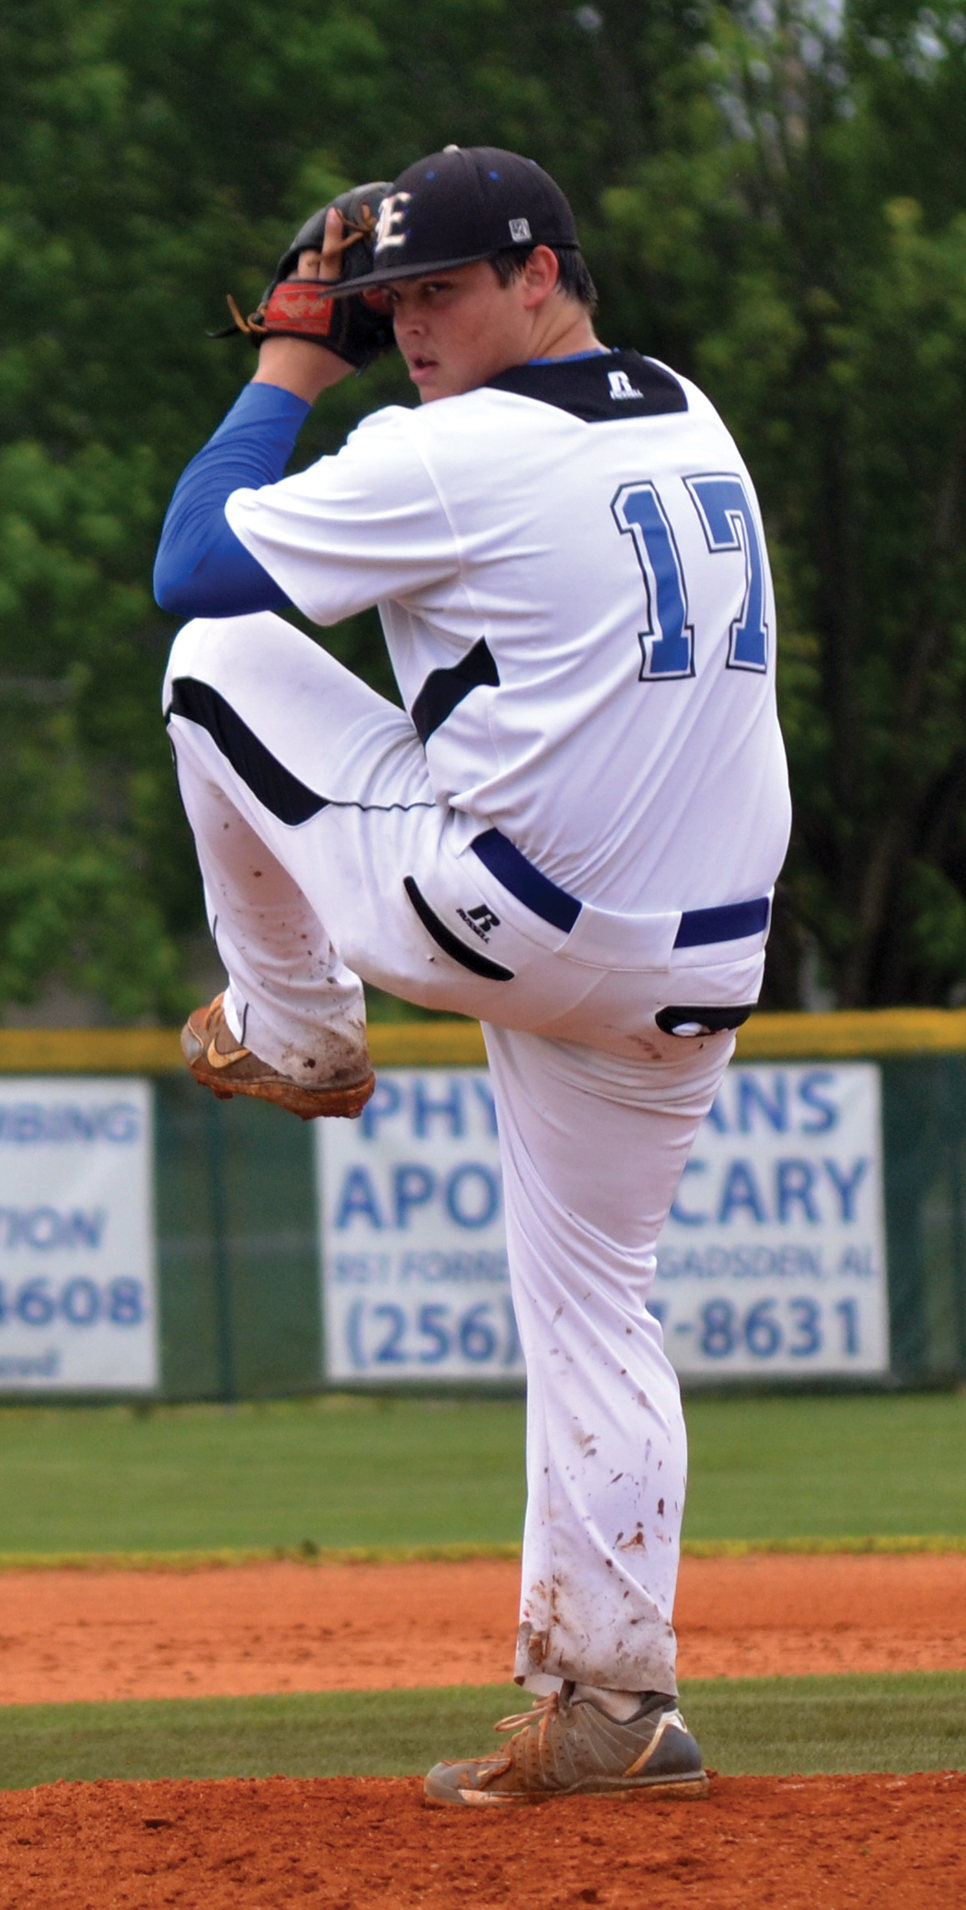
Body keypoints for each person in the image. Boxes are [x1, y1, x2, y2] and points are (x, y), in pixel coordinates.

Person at [154, 145, 790, 1806]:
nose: (408, 323)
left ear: (540, 272)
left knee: (212, 662)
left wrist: (291, 358)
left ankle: (297, 1036)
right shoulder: (684, 409)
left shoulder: (443, 451)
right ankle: (616, 1708)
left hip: (508, 916)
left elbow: (196, 562)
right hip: (697, 958)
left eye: (439, 287)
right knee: (595, 1308)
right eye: (386, 301)